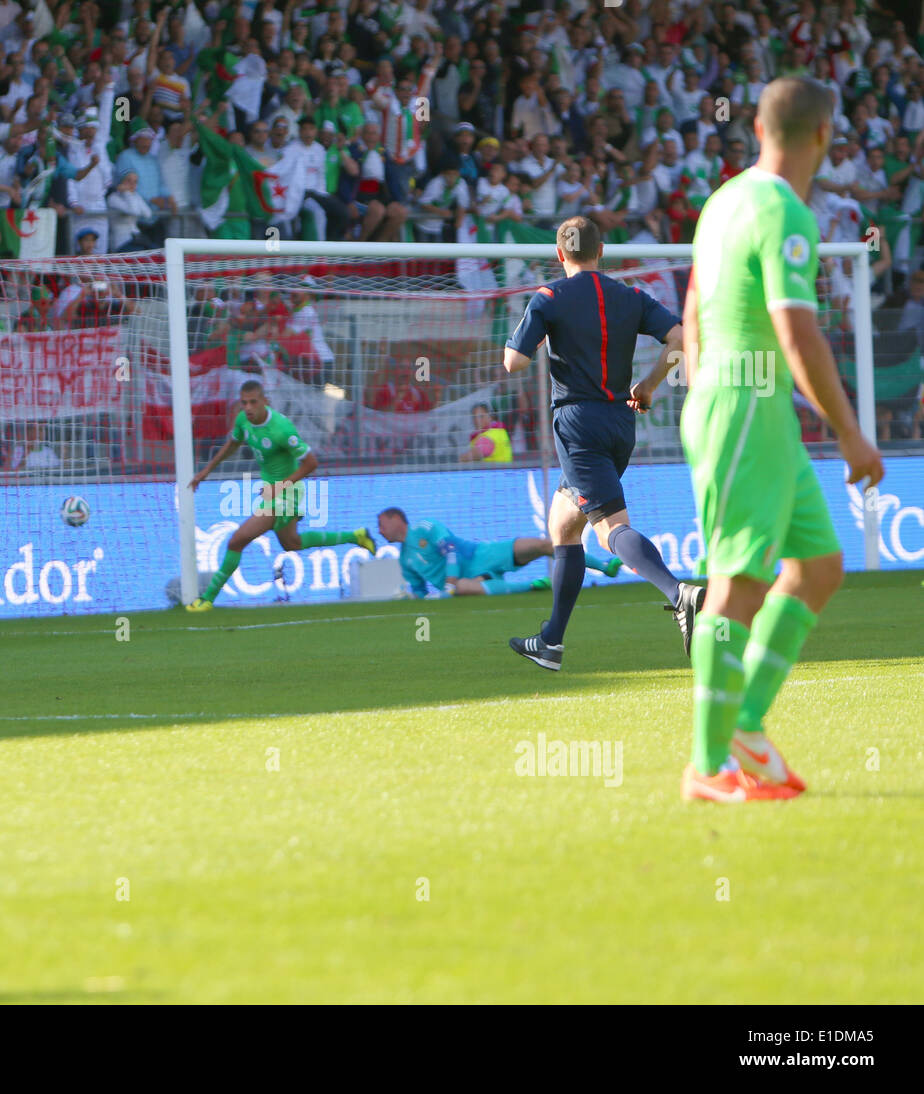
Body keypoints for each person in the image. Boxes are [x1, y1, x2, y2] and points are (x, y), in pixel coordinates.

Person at [678, 77, 884, 803]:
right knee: (739, 584)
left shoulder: (723, 199)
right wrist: (853, 435)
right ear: (823, 137)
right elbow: (798, 331)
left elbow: (695, 303)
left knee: (819, 567)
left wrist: (708, 383)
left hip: (751, 407)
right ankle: (707, 765)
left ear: (760, 128)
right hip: (743, 405)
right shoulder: (787, 211)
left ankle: (746, 726)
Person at [502, 216, 690, 671]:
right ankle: (551, 642)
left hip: (577, 422)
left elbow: (513, 363)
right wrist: (647, 385)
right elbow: (681, 337)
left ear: (559, 254)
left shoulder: (549, 297)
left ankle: (681, 595)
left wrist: (541, 335)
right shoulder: (630, 295)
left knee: (608, 529)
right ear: (602, 252)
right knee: (565, 524)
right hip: (621, 421)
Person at [184, 379, 376, 610]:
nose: (248, 407)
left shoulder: (282, 429)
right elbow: (233, 444)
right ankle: (356, 536)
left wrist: (278, 488)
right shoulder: (243, 420)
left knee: (236, 541)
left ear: (265, 401)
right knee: (291, 543)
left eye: (253, 402)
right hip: (271, 490)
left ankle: (207, 600)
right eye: (244, 403)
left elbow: (310, 463)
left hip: (288, 492)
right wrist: (205, 471)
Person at [376, 507, 621, 598]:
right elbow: (419, 592)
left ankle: (604, 566)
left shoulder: (424, 528)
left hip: (482, 555)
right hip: (465, 583)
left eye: (382, 524)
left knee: (543, 545)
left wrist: (449, 580)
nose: (380, 530)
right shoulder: (405, 560)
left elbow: (450, 550)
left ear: (397, 519)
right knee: (462, 588)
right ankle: (534, 585)